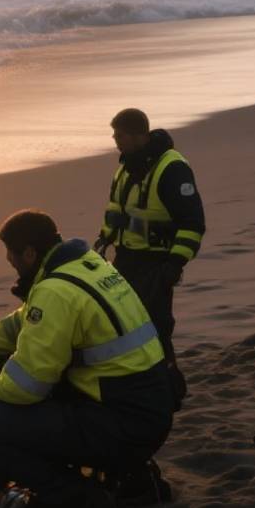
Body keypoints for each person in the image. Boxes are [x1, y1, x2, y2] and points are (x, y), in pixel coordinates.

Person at [0, 210, 173, 508]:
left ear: (30, 253)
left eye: (11, 254)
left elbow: (27, 385)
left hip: (122, 424)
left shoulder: (54, 291)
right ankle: (126, 473)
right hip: (146, 409)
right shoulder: (85, 264)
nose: (9, 261)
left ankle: (75, 497)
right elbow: (23, 321)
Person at [96, 108, 204, 408]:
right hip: (125, 259)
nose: (115, 140)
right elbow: (115, 212)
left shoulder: (172, 168)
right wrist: (103, 240)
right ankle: (142, 388)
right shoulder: (125, 168)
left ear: (138, 135)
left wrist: (175, 264)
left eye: (119, 135)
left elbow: (193, 223)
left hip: (157, 263)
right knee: (124, 326)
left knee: (154, 329)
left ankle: (170, 391)